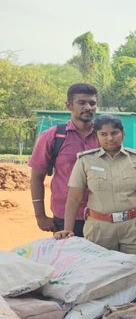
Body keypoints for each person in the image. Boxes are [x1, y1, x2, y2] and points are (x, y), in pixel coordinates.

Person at [54, 114, 136, 285]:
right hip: (99, 230)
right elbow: (74, 198)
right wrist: (68, 230)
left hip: (133, 229)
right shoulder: (85, 160)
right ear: (97, 136)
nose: (110, 138)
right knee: (100, 279)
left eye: (114, 133)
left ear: (122, 134)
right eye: (103, 134)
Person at [29, 83, 100, 237]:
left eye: (92, 103)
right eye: (81, 102)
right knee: (69, 260)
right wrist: (40, 216)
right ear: (69, 105)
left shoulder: (104, 136)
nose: (88, 107)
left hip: (101, 215)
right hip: (65, 217)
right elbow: (36, 177)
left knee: (100, 261)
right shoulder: (54, 136)